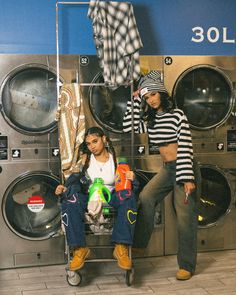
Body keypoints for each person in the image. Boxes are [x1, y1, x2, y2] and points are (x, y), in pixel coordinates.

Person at [123, 70, 199, 280]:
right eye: (147, 97)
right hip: (167, 170)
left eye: (153, 95)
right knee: (146, 197)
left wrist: (188, 178)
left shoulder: (178, 115)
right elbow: (128, 126)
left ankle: (187, 265)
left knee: (185, 218)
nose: (151, 100)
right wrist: (134, 99)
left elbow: (185, 147)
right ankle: (139, 244)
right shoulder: (151, 118)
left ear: (162, 93)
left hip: (184, 167)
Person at [55, 126, 138, 271]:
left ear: (104, 139)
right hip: (90, 196)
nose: (92, 146)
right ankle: (80, 249)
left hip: (112, 196)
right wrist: (63, 187)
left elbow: (130, 185)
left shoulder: (116, 160)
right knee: (71, 200)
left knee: (128, 196)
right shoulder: (86, 160)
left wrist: (134, 178)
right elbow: (74, 179)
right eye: (88, 144)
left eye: (95, 141)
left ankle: (120, 248)